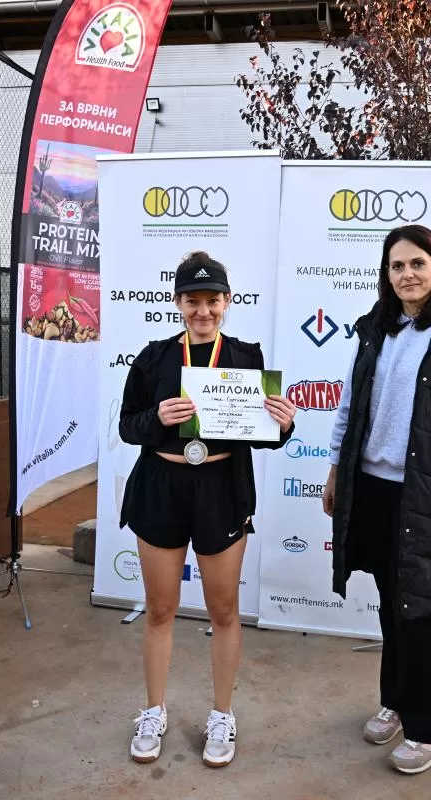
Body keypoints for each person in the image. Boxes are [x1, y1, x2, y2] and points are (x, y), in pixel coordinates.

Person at [322, 224, 431, 775]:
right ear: (386, 274)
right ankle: (396, 701)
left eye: (418, 263)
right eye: (397, 266)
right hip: (371, 486)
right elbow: (350, 408)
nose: (407, 274)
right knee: (389, 603)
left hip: (423, 493)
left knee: (413, 611)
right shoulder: (377, 329)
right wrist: (336, 471)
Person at [118, 251, 296, 768]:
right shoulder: (153, 358)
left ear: (227, 302)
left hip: (220, 487)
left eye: (212, 301)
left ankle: (222, 714)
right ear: (177, 303)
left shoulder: (245, 357)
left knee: (223, 610)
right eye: (192, 301)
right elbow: (127, 426)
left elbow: (263, 436)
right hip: (161, 486)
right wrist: (156, 418)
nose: (203, 311)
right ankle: (154, 710)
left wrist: (284, 424)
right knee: (159, 609)